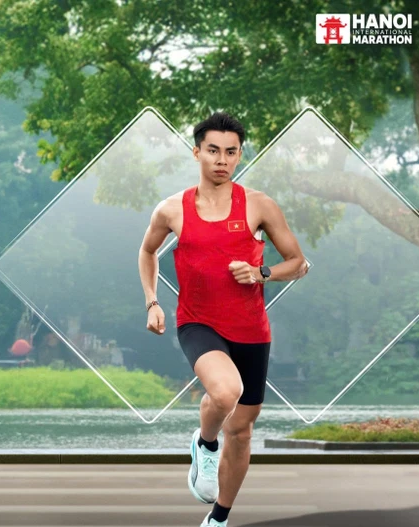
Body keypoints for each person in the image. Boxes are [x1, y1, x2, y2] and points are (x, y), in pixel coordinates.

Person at [138, 112, 309, 527]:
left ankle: (219, 518)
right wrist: (152, 302)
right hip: (198, 323)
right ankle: (205, 443)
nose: (222, 160)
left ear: (239, 156)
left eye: (231, 152)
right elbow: (147, 253)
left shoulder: (259, 205)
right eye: (213, 150)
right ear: (197, 152)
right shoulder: (171, 210)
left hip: (251, 329)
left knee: (244, 431)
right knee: (225, 391)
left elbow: (299, 263)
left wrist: (261, 272)